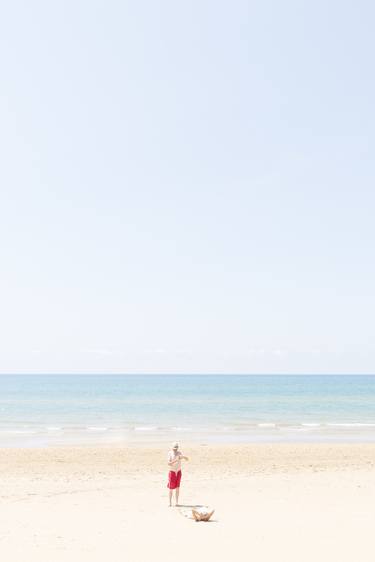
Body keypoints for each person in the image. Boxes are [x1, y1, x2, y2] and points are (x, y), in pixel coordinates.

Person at [167, 442, 189, 507]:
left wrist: (184, 457)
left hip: (178, 472)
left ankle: (176, 502)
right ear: (172, 448)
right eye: (174, 448)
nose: (175, 450)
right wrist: (176, 459)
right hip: (172, 472)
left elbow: (187, 459)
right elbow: (169, 463)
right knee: (171, 488)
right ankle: (170, 502)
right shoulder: (170, 453)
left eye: (176, 448)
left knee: (177, 488)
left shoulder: (179, 453)